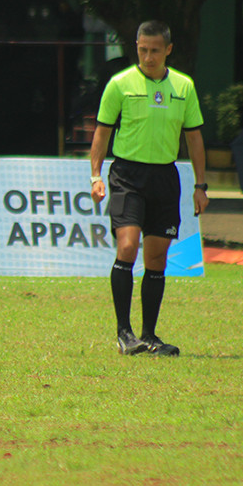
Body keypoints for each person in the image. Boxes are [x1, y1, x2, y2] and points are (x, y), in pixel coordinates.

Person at [89, 20, 209, 357]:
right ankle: (124, 333)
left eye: (155, 50)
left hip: (165, 177)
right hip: (127, 175)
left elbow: (195, 138)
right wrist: (96, 175)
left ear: (168, 50)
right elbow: (102, 132)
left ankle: (150, 335)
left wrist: (201, 185)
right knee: (127, 247)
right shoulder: (119, 84)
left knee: (157, 257)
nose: (148, 56)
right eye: (142, 49)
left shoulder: (184, 87)